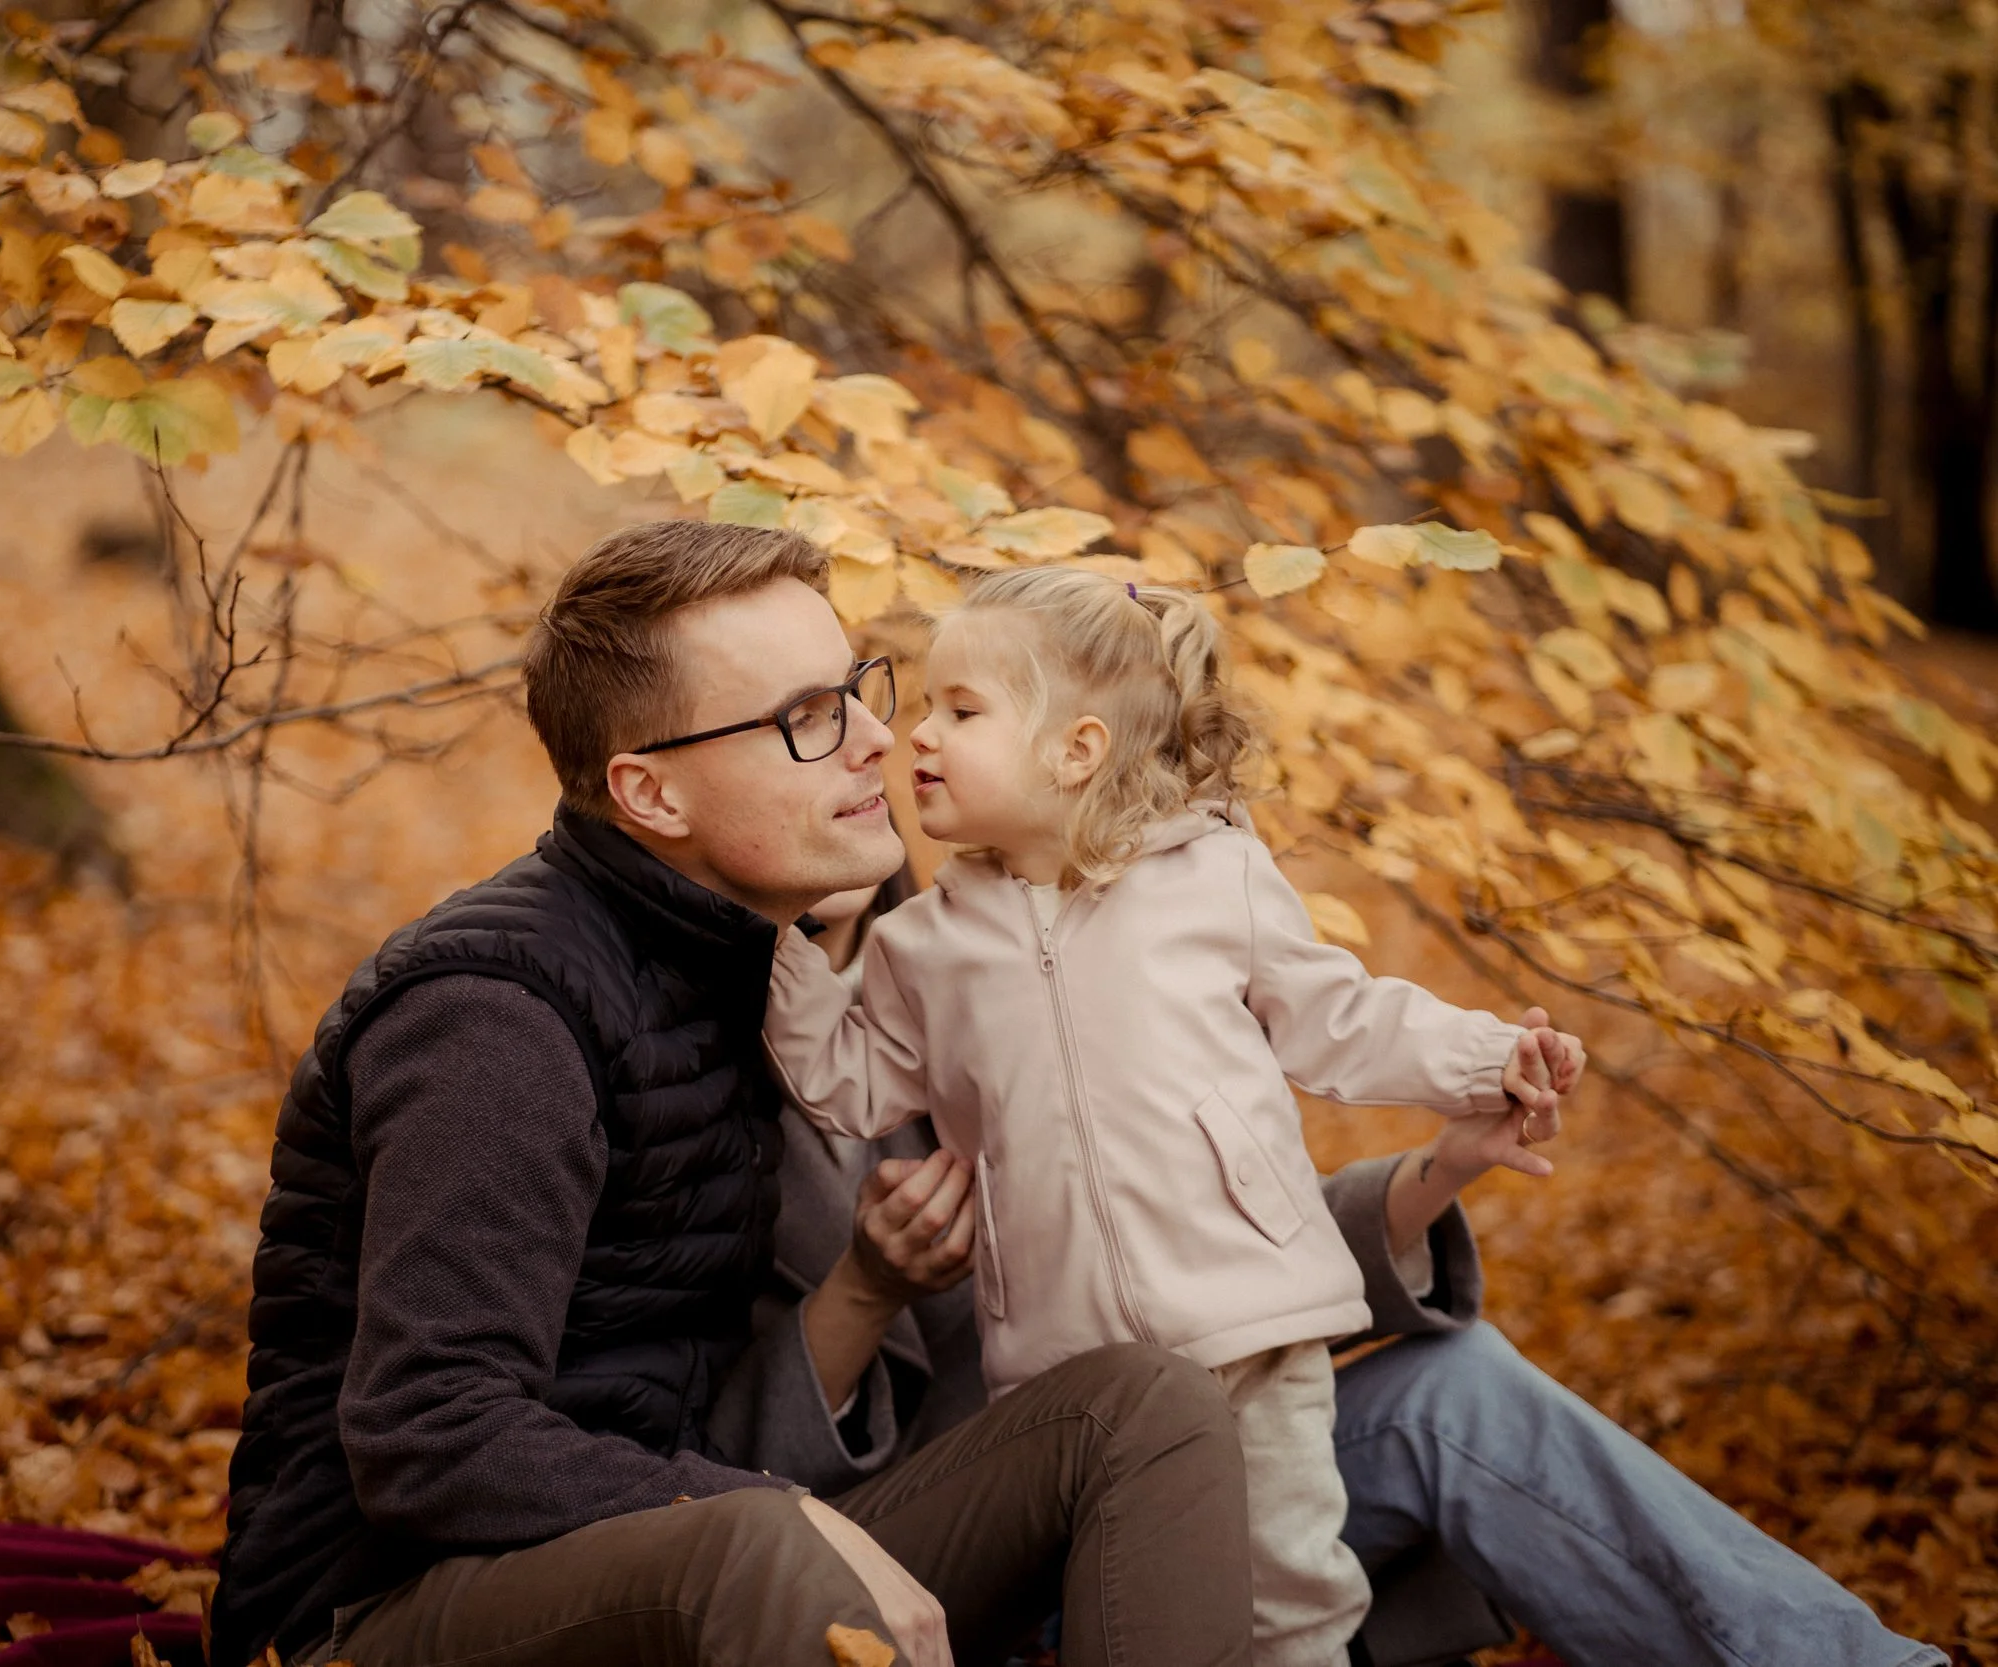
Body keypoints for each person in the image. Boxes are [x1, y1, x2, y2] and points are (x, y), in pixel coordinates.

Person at [209, 522, 1259, 1667]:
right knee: (757, 1545)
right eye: (807, 719)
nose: (877, 739)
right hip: (376, 1613)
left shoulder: (750, 963)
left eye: (862, 686)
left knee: (1141, 1406)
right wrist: (771, 1509)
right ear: (649, 793)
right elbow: (432, 1435)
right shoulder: (497, 1013)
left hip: (689, 1538)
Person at [760, 567, 1589, 1667]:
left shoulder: (1213, 878)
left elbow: (1339, 1019)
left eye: (960, 711)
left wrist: (1490, 1059)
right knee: (1157, 1610)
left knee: (1292, 1596)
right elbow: (845, 1081)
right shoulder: (926, 949)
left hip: (1247, 1321)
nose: (914, 735)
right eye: (924, 705)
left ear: (1076, 750)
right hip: (1074, 1373)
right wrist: (769, 930)